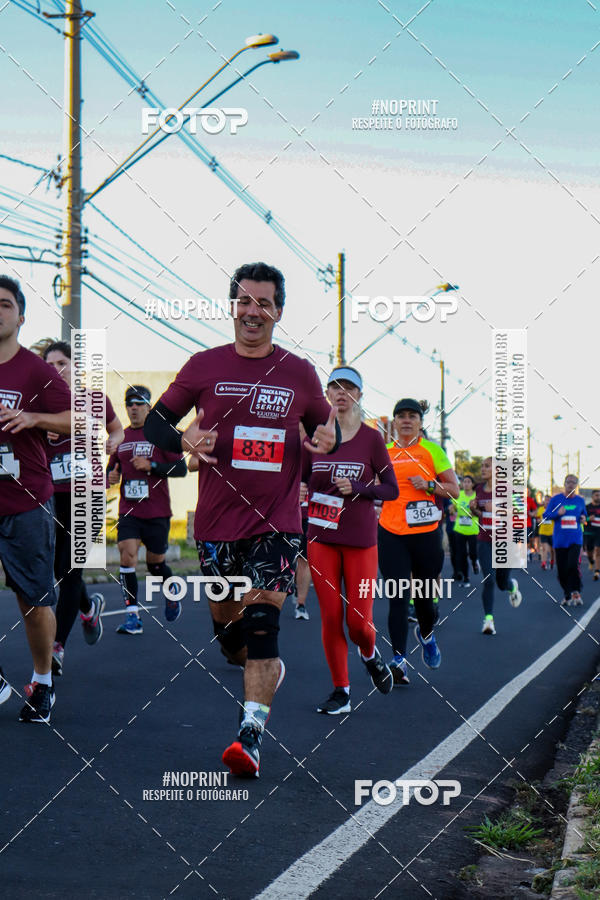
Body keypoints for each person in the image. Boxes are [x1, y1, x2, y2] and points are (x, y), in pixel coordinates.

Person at [144, 262, 339, 777]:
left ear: (279, 310)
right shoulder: (204, 366)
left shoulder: (299, 372)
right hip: (215, 525)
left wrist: (326, 439)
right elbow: (157, 423)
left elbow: (326, 429)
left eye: (265, 303)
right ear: (233, 306)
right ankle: (263, 668)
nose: (254, 312)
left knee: (262, 621)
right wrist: (184, 438)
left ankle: (249, 738)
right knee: (233, 642)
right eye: (245, 302)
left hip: (277, 520)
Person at [303, 366, 398, 714]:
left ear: (359, 395)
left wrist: (358, 488)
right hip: (320, 537)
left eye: (349, 388)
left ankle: (370, 655)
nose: (341, 393)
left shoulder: (372, 439)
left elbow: (391, 489)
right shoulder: (314, 436)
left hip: (360, 540)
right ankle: (341, 691)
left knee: (358, 623)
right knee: (330, 617)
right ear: (327, 394)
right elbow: (297, 476)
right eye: (334, 387)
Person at [0, 276, 71, 722]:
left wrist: (32, 417)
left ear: (20, 317)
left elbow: (76, 419)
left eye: (4, 304)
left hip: (25, 500)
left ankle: (43, 681)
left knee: (33, 600)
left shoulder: (35, 370)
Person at [39, 340, 124, 676]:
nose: (57, 369)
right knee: (58, 570)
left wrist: (112, 442)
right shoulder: (38, 402)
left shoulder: (95, 400)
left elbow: (116, 430)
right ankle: (89, 608)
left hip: (86, 492)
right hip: (49, 493)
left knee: (72, 568)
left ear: (76, 367)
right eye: (50, 364)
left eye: (63, 363)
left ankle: (56, 646)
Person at [377, 399, 459, 681]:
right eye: (401, 416)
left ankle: (426, 635)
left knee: (424, 599)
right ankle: (398, 660)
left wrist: (430, 485)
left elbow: (455, 490)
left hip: (425, 533)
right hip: (391, 532)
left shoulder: (432, 450)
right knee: (398, 597)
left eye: (412, 416)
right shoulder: (384, 452)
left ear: (420, 422)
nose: (406, 421)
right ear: (395, 422)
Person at [107, 385, 187, 633]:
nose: (134, 408)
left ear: (149, 407)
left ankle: (171, 590)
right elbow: (114, 469)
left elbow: (181, 469)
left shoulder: (161, 435)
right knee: (126, 556)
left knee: (155, 565)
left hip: (157, 511)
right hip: (129, 511)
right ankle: (133, 616)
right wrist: (112, 476)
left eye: (139, 403)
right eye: (129, 403)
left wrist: (151, 465)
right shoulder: (121, 438)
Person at [469, 457, 523, 634]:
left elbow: (519, 510)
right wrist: (473, 508)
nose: (483, 469)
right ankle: (488, 621)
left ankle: (511, 586)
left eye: (487, 466)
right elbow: (480, 514)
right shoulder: (478, 489)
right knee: (488, 580)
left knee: (501, 583)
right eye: (482, 466)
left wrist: (498, 509)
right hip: (484, 541)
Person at [544, 475, 587, 607]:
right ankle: (567, 595)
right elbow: (545, 515)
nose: (571, 485)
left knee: (573, 565)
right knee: (562, 570)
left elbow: (584, 514)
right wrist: (558, 514)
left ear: (576, 485)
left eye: (573, 483)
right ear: (564, 484)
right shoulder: (556, 499)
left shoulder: (580, 500)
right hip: (560, 540)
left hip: (575, 538)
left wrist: (583, 518)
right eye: (568, 482)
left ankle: (576, 592)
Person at [452, 474, 479, 588]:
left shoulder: (477, 496)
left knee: (473, 553)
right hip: (459, 529)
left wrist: (473, 511)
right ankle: (466, 578)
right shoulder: (458, 495)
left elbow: (479, 511)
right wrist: (452, 511)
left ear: (472, 484)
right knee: (462, 554)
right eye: (464, 482)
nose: (466, 484)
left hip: (473, 529)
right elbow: (453, 508)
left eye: (468, 482)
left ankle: (474, 562)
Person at [585, 490, 600, 581]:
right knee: (589, 551)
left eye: (599, 495)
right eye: (596, 495)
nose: (598, 497)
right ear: (592, 496)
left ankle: (597, 571)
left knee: (598, 550)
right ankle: (591, 561)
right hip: (589, 532)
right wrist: (588, 518)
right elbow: (581, 519)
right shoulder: (587, 507)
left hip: (599, 532)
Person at [538, 494, 554, 571]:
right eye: (546, 500)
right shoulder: (540, 509)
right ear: (544, 501)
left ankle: (552, 560)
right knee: (544, 548)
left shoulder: (554, 509)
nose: (547, 502)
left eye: (549, 500)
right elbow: (537, 518)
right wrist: (539, 521)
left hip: (552, 532)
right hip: (543, 532)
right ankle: (543, 563)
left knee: (552, 550)